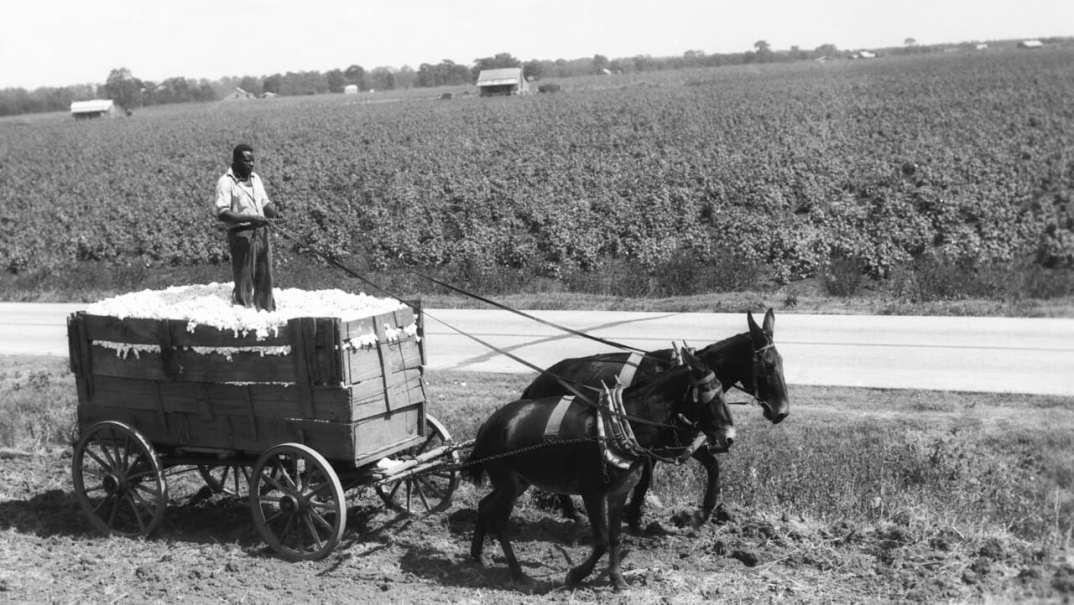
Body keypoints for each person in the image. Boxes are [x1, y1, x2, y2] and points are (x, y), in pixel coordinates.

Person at [214, 144, 280, 311]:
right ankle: (244, 310)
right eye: (246, 161)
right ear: (235, 161)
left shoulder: (255, 178)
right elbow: (222, 213)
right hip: (241, 234)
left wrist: (274, 213)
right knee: (245, 275)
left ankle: (265, 308)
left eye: (252, 161)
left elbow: (265, 202)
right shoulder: (226, 182)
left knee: (265, 273)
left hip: (261, 232)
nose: (251, 165)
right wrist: (250, 218)